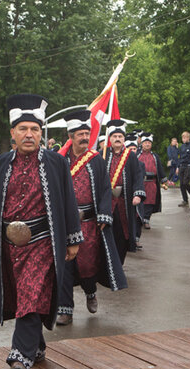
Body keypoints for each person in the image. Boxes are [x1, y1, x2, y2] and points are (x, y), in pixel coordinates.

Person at [0, 94, 82, 369]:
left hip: (43, 243)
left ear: (41, 132)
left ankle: (19, 355)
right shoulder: (0, 165)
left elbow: (68, 201)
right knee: (24, 298)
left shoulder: (57, 164)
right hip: (9, 247)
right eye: (23, 129)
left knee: (33, 295)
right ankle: (36, 346)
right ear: (13, 133)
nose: (29, 135)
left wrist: (73, 238)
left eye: (35, 129)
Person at [56, 110, 127, 325]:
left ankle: (90, 292)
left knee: (86, 266)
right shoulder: (59, 161)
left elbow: (106, 188)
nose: (85, 138)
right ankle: (65, 310)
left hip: (89, 223)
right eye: (80, 134)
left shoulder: (96, 160)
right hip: (65, 224)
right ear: (71, 136)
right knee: (64, 265)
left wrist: (104, 214)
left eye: (87, 133)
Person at [104, 119, 145, 264]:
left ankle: (119, 264)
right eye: (114, 136)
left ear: (124, 139)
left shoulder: (130, 156)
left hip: (124, 201)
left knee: (123, 233)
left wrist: (138, 194)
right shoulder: (103, 155)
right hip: (107, 202)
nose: (117, 139)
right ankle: (107, 265)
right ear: (110, 139)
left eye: (120, 137)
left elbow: (138, 176)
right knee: (107, 232)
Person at [136, 133, 165, 229]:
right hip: (141, 182)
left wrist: (163, 181)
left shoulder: (155, 156)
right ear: (142, 144)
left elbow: (160, 168)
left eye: (149, 143)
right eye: (145, 143)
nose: (147, 144)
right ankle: (140, 219)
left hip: (152, 183)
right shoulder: (137, 155)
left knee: (150, 202)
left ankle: (146, 220)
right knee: (141, 201)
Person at [176, 131, 190, 206]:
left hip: (188, 165)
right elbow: (179, 157)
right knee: (181, 184)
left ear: (188, 138)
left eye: (185, 137)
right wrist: (178, 167)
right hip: (182, 165)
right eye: (183, 138)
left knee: (185, 182)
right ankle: (185, 200)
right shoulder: (182, 146)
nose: (183, 139)